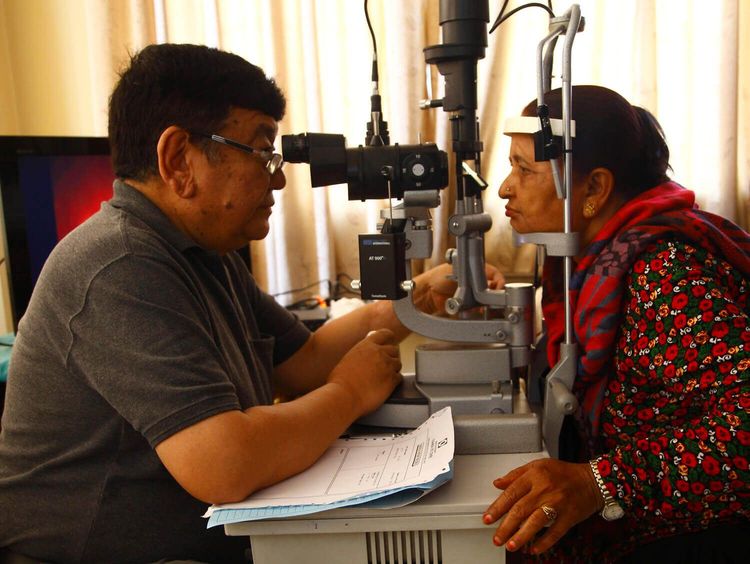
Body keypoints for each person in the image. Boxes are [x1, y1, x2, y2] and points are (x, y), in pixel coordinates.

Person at [0, 44, 470, 563]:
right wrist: (350, 393)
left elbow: (304, 362)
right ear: (179, 159)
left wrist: (417, 299)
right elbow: (224, 465)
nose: (278, 178)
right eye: (262, 152)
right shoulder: (119, 266)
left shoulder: (205, 253)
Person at [483, 85, 750, 562]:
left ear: (594, 189)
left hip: (689, 538)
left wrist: (599, 482)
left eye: (524, 169)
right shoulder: (586, 265)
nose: (505, 187)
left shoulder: (664, 274)